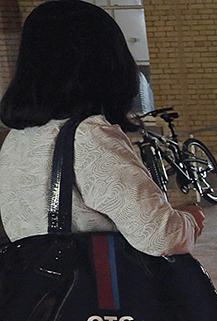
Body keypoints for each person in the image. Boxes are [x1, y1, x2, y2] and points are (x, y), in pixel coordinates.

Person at [0, 0, 203, 260]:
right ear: (104, 61)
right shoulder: (89, 136)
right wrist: (190, 219)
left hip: (39, 290)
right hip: (98, 293)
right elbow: (160, 236)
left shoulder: (18, 137)